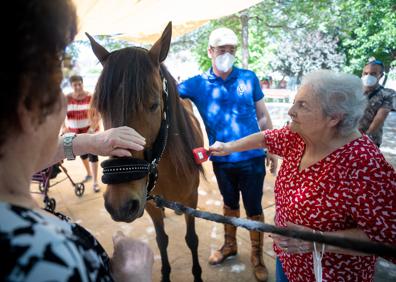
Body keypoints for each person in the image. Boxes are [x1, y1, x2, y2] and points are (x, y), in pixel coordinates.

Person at [0, 1, 153, 281]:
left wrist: (85, 143)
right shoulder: (48, 260)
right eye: (57, 86)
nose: (64, 100)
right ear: (29, 105)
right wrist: (136, 278)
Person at [209, 69, 396, 282]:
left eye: (302, 105)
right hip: (288, 262)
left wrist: (316, 241)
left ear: (334, 118)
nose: (290, 111)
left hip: (330, 274)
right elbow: (266, 138)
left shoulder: (363, 165)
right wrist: (228, 147)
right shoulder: (299, 136)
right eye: (295, 102)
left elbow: (387, 239)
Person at [178, 27, 277, 281]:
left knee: (254, 207)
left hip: (253, 158)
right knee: (229, 204)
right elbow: (166, 91)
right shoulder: (197, 83)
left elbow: (263, 115)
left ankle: (257, 255)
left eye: (232, 51)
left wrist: (271, 146)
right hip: (221, 161)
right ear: (210, 51)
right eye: (222, 50)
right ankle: (230, 245)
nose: (228, 55)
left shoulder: (248, 77)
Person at [63, 74, 101, 192]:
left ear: (82, 83)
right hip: (75, 133)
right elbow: (61, 115)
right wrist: (64, 127)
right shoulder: (67, 98)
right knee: (82, 155)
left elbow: (97, 115)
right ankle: (88, 173)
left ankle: (95, 182)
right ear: (71, 85)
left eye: (80, 84)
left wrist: (92, 128)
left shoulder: (91, 96)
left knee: (93, 155)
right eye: (75, 85)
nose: (78, 87)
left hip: (90, 132)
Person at [358, 59, 395, 147]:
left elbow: (380, 117)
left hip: (370, 139)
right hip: (348, 137)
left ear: (380, 75)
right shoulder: (354, 90)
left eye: (373, 73)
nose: (368, 76)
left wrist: (365, 138)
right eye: (365, 73)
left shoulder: (387, 93)